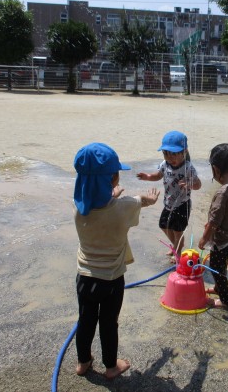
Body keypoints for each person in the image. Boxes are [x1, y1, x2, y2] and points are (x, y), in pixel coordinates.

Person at [73, 142, 160, 379]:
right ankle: (111, 367)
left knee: (85, 320)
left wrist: (111, 195)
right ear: (113, 179)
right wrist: (150, 199)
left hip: (84, 277)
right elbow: (139, 200)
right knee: (109, 323)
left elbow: (97, 203)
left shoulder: (79, 210)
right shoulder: (124, 207)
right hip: (111, 280)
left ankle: (83, 362)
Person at [137, 130, 202, 262]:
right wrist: (148, 177)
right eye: (166, 154)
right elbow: (158, 175)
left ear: (184, 152)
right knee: (163, 225)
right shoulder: (165, 164)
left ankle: (177, 251)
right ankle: (177, 245)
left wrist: (189, 184)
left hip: (182, 204)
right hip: (168, 203)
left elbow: (198, 184)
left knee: (178, 231)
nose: (170, 158)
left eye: (174, 154)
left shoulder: (188, 168)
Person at [198, 143, 228, 309]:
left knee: (216, 268)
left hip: (223, 242)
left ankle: (225, 300)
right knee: (222, 264)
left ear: (216, 169)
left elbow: (214, 221)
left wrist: (204, 238)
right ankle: (218, 289)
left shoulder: (223, 192)